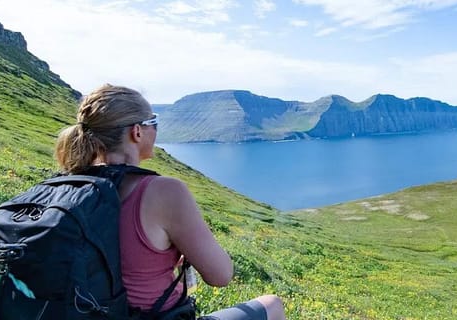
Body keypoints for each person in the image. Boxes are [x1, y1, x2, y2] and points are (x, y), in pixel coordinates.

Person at [54, 84, 286, 320]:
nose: (156, 128)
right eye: (153, 121)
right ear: (137, 132)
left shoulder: (65, 187)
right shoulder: (164, 191)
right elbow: (221, 276)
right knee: (272, 305)